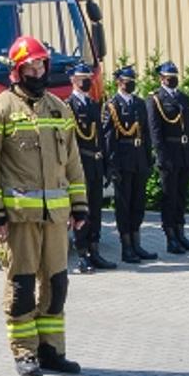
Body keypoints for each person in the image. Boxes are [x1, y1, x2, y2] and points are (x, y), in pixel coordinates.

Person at [0, 37, 88, 376]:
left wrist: (79, 204)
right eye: (30, 66)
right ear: (17, 70)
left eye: (41, 65)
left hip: (55, 217)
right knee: (22, 287)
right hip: (18, 219)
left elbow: (73, 161)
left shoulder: (59, 108)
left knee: (57, 285)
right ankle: (25, 353)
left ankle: (52, 350)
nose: (38, 71)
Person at [146, 62, 189, 255]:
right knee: (169, 197)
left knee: (181, 196)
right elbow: (155, 131)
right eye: (169, 76)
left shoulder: (183, 98)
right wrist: (161, 156)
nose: (173, 79)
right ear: (161, 78)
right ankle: (170, 236)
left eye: (175, 75)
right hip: (169, 153)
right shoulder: (155, 99)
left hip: (184, 152)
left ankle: (180, 232)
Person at [66, 63, 117, 272]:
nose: (87, 81)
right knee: (82, 211)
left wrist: (106, 167)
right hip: (81, 165)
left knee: (96, 210)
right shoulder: (68, 107)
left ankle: (95, 251)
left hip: (95, 163)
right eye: (82, 78)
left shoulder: (93, 104)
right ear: (73, 80)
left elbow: (101, 139)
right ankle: (82, 254)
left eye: (88, 77)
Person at [105, 66, 157, 263]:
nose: (131, 83)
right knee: (124, 205)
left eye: (133, 80)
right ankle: (126, 247)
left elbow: (145, 135)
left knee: (138, 204)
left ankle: (137, 243)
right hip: (122, 162)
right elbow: (109, 138)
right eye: (127, 80)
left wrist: (148, 159)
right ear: (119, 82)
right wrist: (112, 166)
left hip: (138, 161)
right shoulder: (112, 105)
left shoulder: (139, 103)